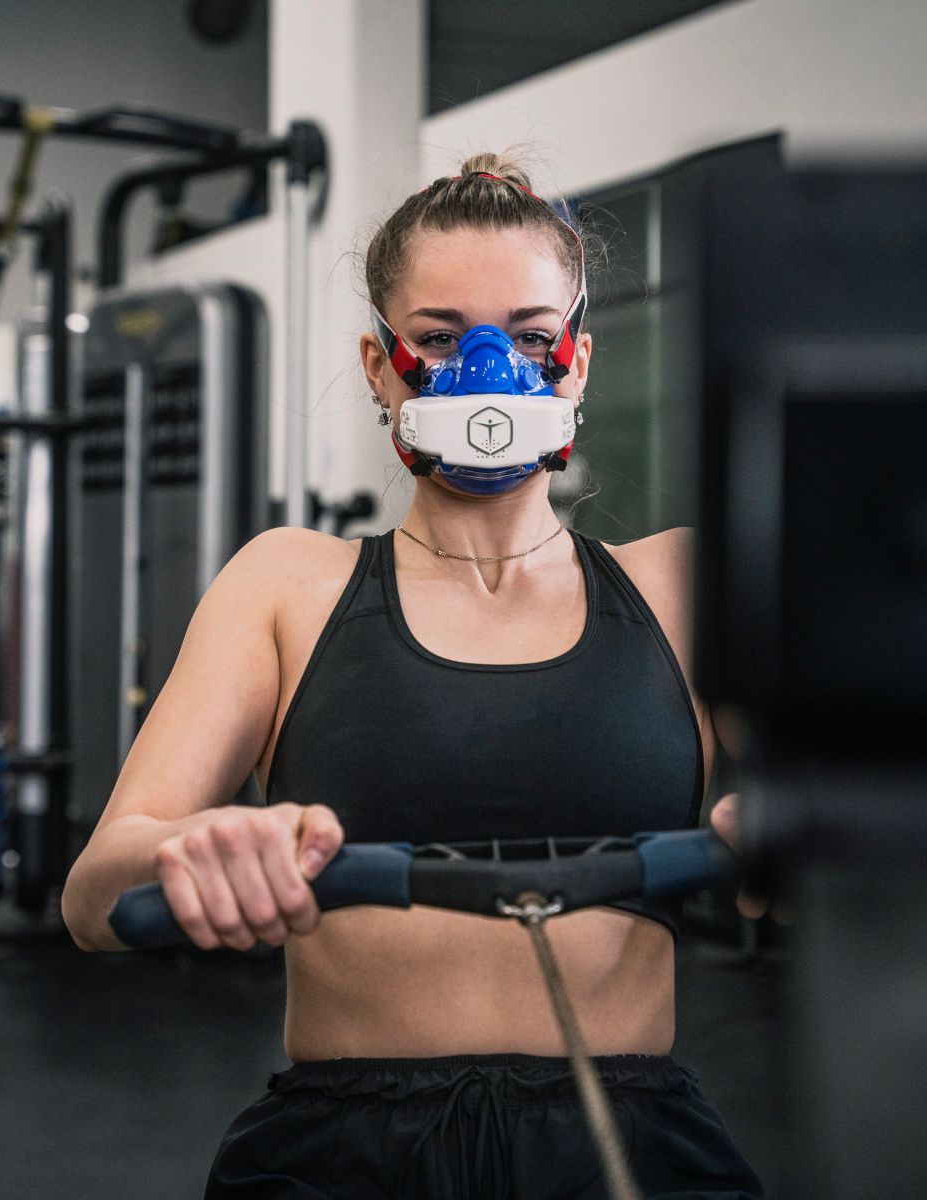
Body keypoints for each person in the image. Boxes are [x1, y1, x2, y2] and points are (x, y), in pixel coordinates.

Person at [62, 153, 770, 1199]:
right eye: (440, 340)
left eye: (531, 337)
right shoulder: (288, 584)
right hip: (341, 1149)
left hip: (629, 1135)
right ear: (380, 364)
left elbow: (842, 854)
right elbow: (91, 898)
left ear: (576, 362)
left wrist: (792, 847)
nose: (492, 372)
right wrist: (194, 852)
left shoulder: (681, 584)